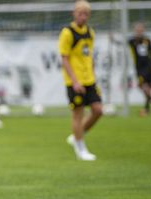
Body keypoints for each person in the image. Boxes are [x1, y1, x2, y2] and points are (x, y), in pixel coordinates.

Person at [58, 0, 103, 161]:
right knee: (78, 113)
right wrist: (75, 81)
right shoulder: (67, 33)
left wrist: (94, 77)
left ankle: (77, 135)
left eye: (86, 14)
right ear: (74, 13)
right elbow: (64, 59)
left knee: (98, 110)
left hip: (89, 79)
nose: (82, 17)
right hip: (74, 81)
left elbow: (89, 57)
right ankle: (81, 149)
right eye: (80, 13)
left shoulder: (90, 33)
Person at [129, 22, 151, 115]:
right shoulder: (132, 41)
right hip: (139, 68)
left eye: (141, 29)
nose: (139, 31)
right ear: (134, 30)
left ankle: (148, 107)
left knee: (147, 87)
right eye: (137, 29)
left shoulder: (147, 40)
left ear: (143, 30)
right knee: (143, 87)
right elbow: (121, 43)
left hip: (148, 67)